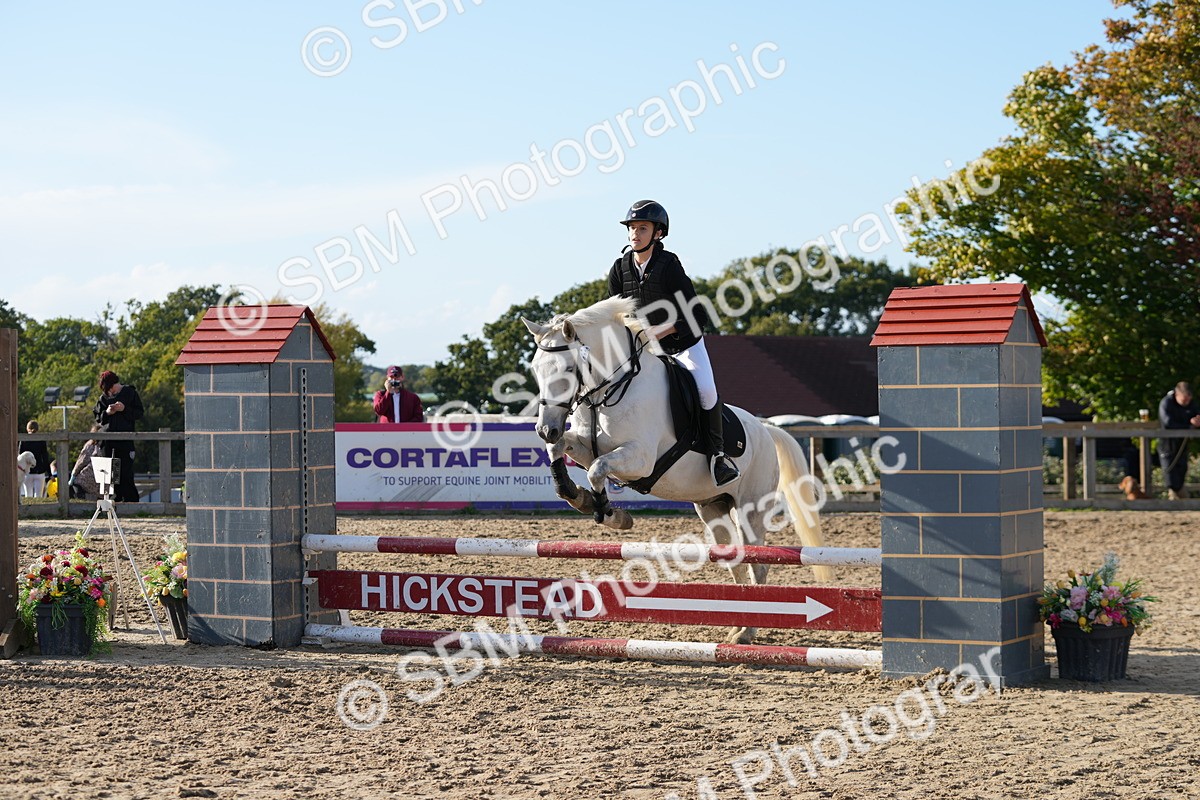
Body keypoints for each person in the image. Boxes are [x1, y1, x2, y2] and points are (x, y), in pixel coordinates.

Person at [606, 199, 739, 486]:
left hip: (683, 345)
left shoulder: (669, 266)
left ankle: (718, 457)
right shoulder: (619, 268)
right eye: (632, 228)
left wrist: (657, 332)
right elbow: (614, 314)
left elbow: (697, 315)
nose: (635, 233)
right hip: (646, 350)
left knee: (706, 391)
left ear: (658, 233)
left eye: (642, 228)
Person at [92, 370, 144, 502]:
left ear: (114, 385)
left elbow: (139, 413)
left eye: (110, 389)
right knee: (110, 473)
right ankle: (114, 500)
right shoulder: (103, 399)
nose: (109, 393)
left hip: (125, 440)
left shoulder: (130, 393)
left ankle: (131, 501)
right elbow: (98, 418)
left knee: (126, 472)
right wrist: (107, 413)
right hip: (108, 441)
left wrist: (124, 409)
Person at [1157, 381, 1200, 500]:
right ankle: (1183, 500)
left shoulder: (1191, 404)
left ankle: (1178, 501)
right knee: (1171, 479)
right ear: (1176, 395)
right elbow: (1168, 423)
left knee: (1181, 474)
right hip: (1168, 444)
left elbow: (1196, 414)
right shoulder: (1166, 403)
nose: (1186, 404)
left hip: (1182, 444)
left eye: (1188, 401)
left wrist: (1196, 421)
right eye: (1184, 401)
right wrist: (1188, 426)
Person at [69, 425, 104, 501]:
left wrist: (73, 475)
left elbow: (81, 461)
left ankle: (80, 502)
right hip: (102, 481)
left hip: (87, 477)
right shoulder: (104, 446)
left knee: (76, 483)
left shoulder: (90, 445)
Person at [17, 420, 51, 498]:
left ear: (27, 428)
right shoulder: (41, 441)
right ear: (37, 429)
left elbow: (20, 457)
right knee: (38, 496)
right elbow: (45, 458)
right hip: (39, 472)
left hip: (27, 472)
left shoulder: (24, 440)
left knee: (28, 495)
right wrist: (49, 473)